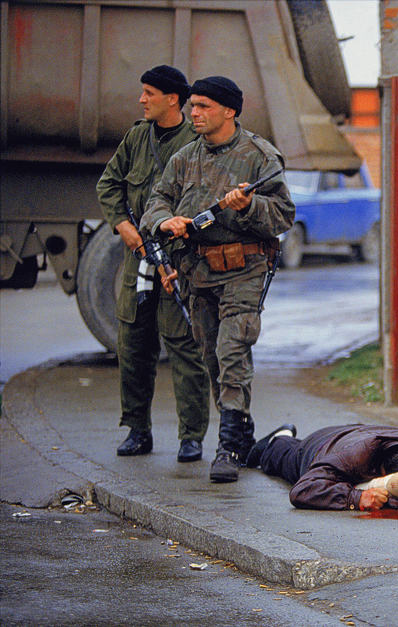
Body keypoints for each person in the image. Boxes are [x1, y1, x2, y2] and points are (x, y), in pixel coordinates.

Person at [140, 76, 295, 483]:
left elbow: (282, 214)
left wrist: (247, 207)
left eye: (204, 106)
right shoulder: (184, 158)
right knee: (210, 355)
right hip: (197, 271)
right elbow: (156, 201)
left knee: (232, 350)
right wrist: (163, 220)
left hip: (244, 269)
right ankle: (241, 432)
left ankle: (227, 446)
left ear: (229, 110)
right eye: (192, 105)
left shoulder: (260, 156)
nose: (194, 113)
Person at [96, 65, 210, 463]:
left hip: (179, 264)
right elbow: (108, 184)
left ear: (172, 99)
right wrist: (122, 224)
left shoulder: (197, 141)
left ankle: (191, 436)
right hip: (139, 262)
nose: (142, 99)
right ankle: (136, 429)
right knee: (133, 348)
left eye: (149, 93)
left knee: (185, 348)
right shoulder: (136, 137)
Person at [244, 423, 398, 511]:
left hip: (357, 433)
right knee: (282, 457)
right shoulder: (350, 458)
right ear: (382, 474)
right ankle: (279, 438)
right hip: (319, 447)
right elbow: (302, 490)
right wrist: (356, 498)